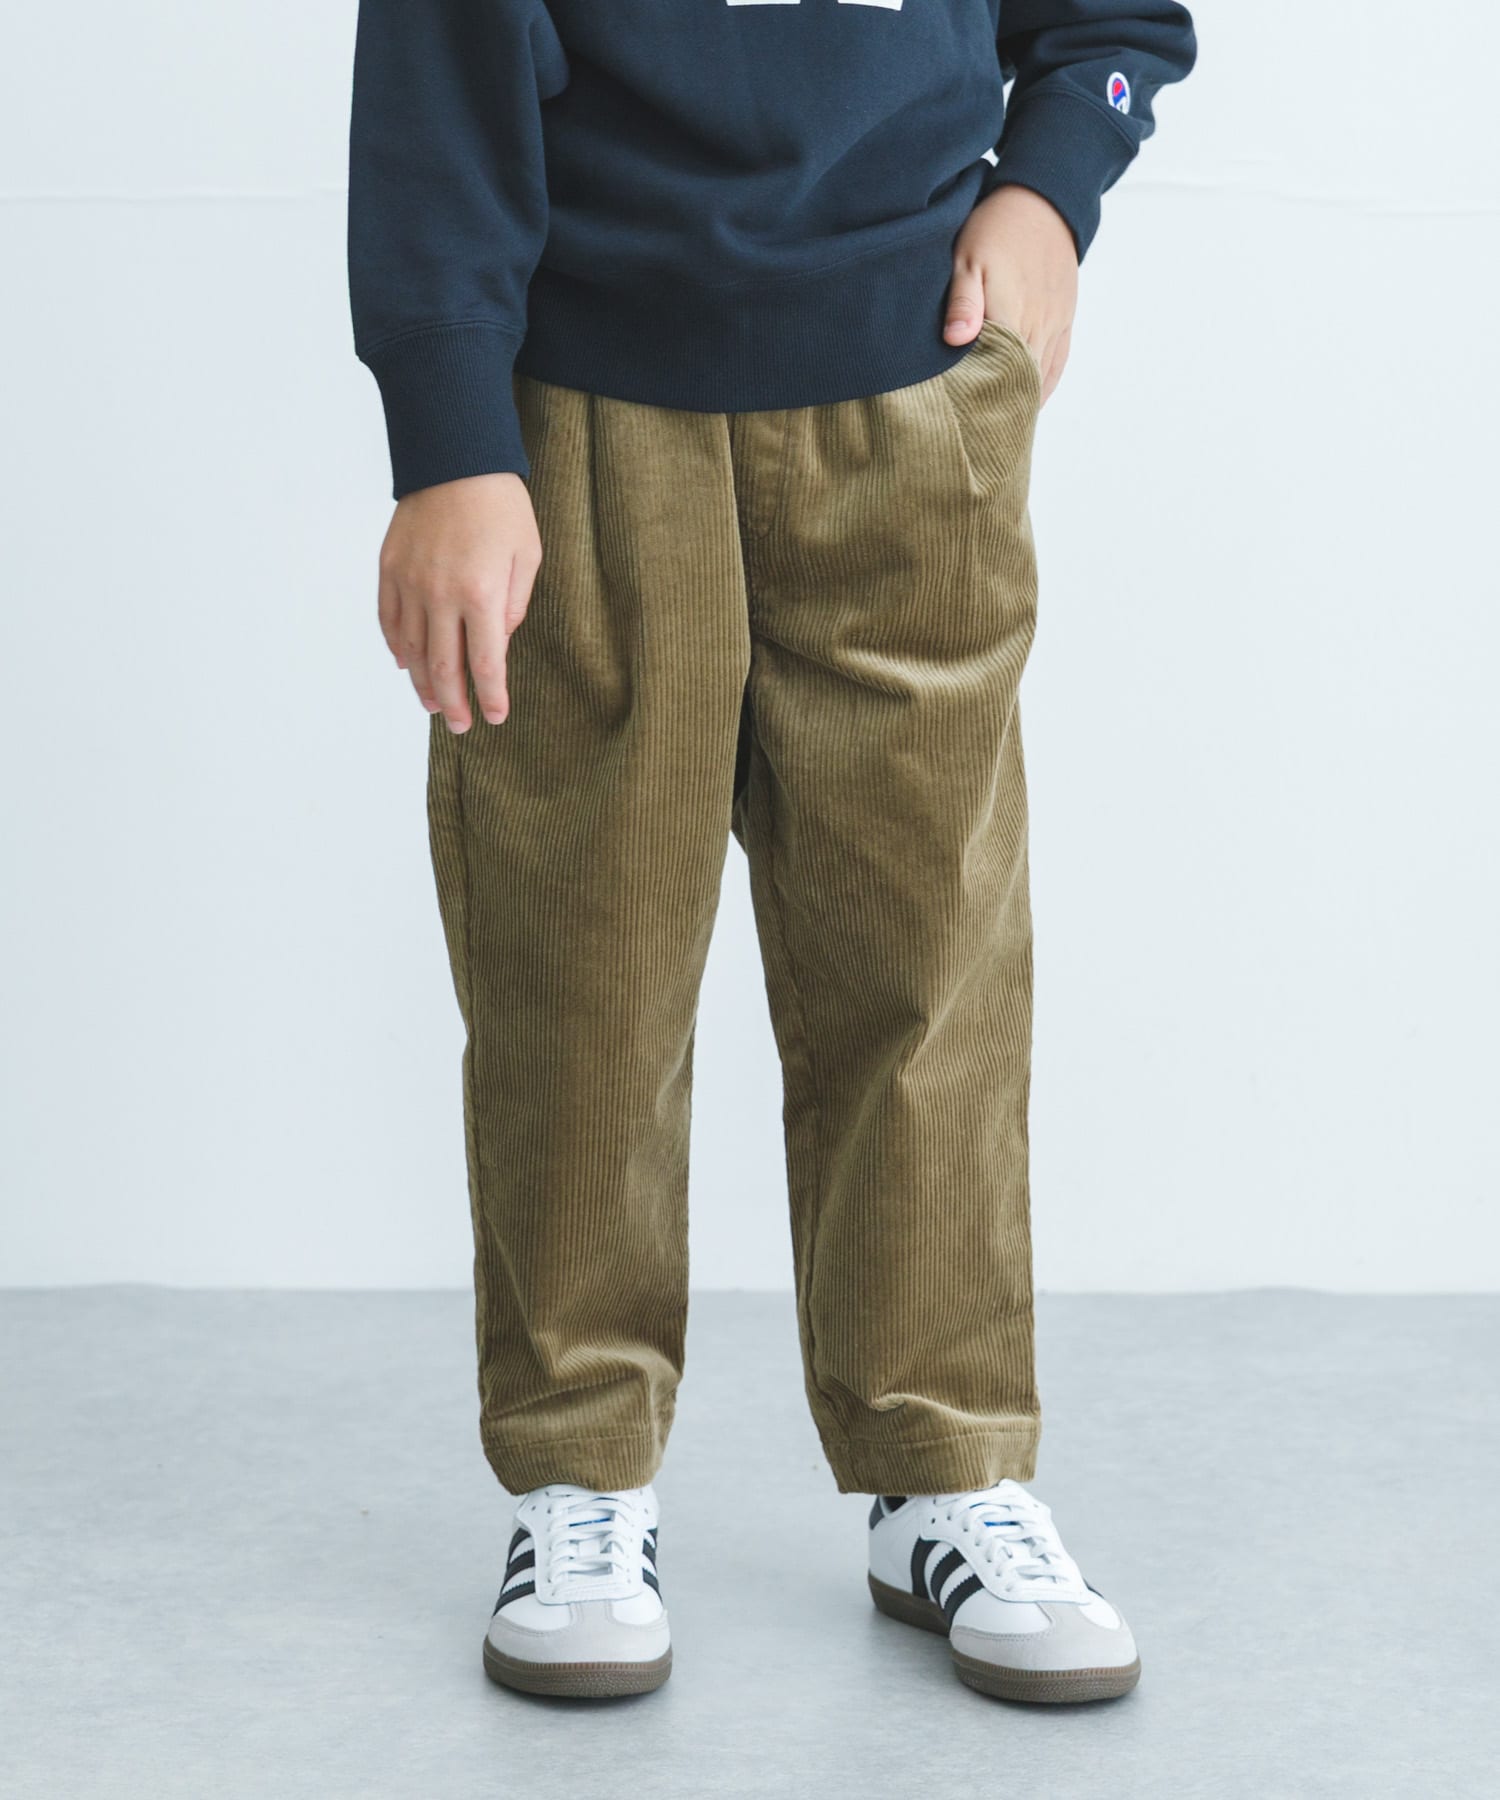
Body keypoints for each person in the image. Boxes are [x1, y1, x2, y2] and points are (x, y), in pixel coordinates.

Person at [347, 0, 1195, 1704]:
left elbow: (1114, 19)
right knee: (579, 970)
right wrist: (448, 439)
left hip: (911, 404)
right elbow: (437, 68)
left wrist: (1052, 182)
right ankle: (582, 1473)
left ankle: (941, 1467)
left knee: (926, 967)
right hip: (586, 412)